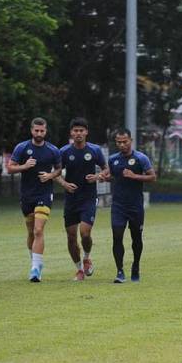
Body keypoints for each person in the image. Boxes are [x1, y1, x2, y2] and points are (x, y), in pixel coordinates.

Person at [7, 117, 62, 282]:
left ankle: (35, 269)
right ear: (32, 131)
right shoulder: (22, 148)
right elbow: (10, 167)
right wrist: (24, 166)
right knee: (31, 231)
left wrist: (50, 175)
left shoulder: (53, 150)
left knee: (39, 230)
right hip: (27, 195)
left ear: (46, 131)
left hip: (44, 194)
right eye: (36, 130)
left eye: (42, 131)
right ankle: (35, 261)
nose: (39, 133)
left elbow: (59, 170)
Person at [100, 128, 156, 283]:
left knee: (136, 238)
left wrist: (134, 176)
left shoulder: (141, 158)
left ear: (131, 140)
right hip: (118, 205)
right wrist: (104, 178)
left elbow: (152, 177)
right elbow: (114, 176)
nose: (122, 144)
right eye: (119, 142)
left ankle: (136, 266)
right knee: (117, 237)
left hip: (135, 206)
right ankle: (119, 271)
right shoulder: (113, 159)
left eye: (125, 141)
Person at [57, 118, 107, 281]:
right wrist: (64, 184)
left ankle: (87, 257)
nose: (78, 133)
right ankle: (79, 269)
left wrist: (98, 176)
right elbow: (55, 173)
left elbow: (107, 170)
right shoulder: (64, 151)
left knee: (85, 233)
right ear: (71, 133)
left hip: (88, 198)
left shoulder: (94, 150)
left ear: (86, 132)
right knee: (71, 237)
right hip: (71, 200)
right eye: (75, 131)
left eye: (81, 130)